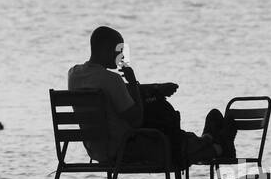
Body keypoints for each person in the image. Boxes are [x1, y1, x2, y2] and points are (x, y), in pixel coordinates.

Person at [67, 25, 234, 166]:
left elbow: (116, 90)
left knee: (175, 138)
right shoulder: (112, 80)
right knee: (172, 141)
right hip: (125, 149)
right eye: (118, 50)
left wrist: (155, 88)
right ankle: (216, 145)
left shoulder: (74, 74)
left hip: (97, 150)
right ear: (104, 49)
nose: (121, 56)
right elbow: (136, 120)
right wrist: (133, 82)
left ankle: (211, 140)